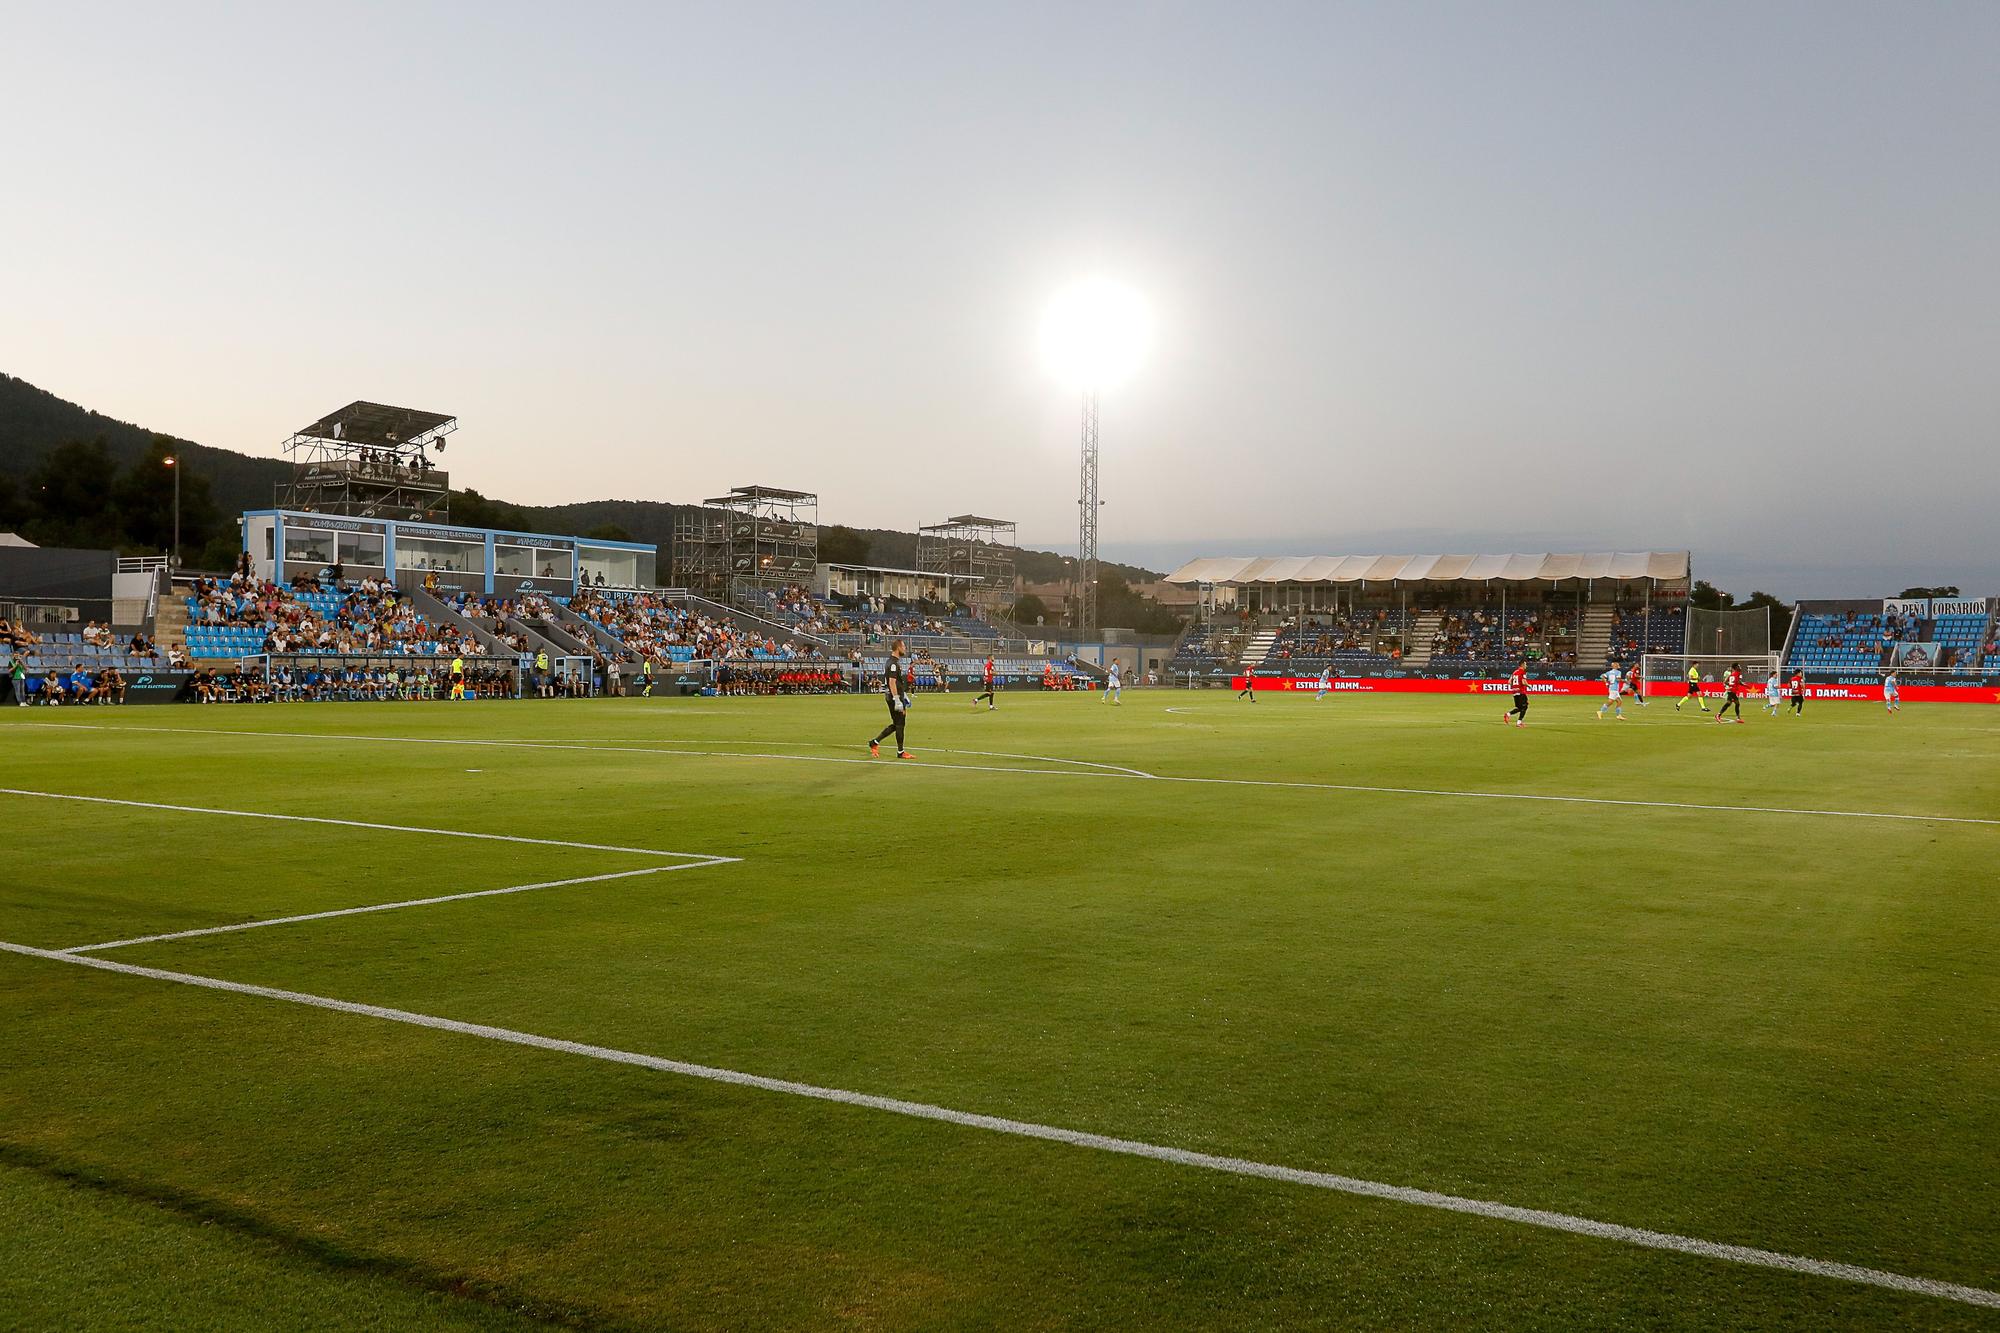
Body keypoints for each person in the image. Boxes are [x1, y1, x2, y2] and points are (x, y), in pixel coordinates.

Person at [869, 638, 913, 759]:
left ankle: (874, 742)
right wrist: (897, 699)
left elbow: (896, 683)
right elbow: (892, 682)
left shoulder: (892, 662)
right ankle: (900, 752)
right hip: (894, 697)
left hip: (895, 695)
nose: (905, 649)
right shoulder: (893, 664)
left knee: (897, 724)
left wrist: (904, 695)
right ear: (898, 647)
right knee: (900, 724)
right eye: (903, 646)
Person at [1504, 659, 1530, 727]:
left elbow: (1509, 682)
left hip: (1515, 692)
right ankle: (1519, 722)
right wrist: (1529, 685)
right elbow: (1524, 682)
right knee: (1525, 707)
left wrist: (1514, 687)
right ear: (1522, 665)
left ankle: (1508, 714)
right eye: (1525, 664)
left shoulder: (1515, 672)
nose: (1526, 666)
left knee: (1519, 707)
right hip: (1521, 691)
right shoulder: (1522, 672)